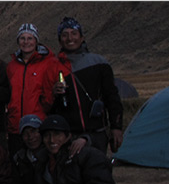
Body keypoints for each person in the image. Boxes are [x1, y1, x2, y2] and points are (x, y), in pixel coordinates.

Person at [51, 17, 124, 154]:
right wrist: (53, 94)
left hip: (97, 132)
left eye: (74, 33)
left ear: (82, 37)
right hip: (68, 135)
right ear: (60, 40)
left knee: (96, 171)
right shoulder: (54, 67)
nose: (69, 38)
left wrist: (116, 126)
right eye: (64, 35)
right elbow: (50, 106)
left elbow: (112, 96)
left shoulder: (99, 62)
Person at [5, 23, 58, 156]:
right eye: (22, 38)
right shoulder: (11, 66)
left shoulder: (49, 63)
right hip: (15, 126)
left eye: (30, 38)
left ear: (36, 40)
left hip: (37, 126)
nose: (26, 42)